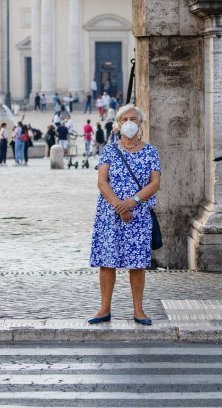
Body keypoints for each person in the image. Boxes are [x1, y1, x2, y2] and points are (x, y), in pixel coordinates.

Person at [89, 104, 161, 325]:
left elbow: (155, 183)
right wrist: (119, 206)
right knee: (107, 262)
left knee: (137, 263)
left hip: (138, 215)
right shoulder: (110, 150)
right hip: (110, 214)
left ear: (140, 123)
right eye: (125, 119)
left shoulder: (150, 151)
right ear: (118, 124)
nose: (129, 122)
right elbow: (102, 182)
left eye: (133, 118)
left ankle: (139, 310)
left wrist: (132, 202)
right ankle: (104, 309)